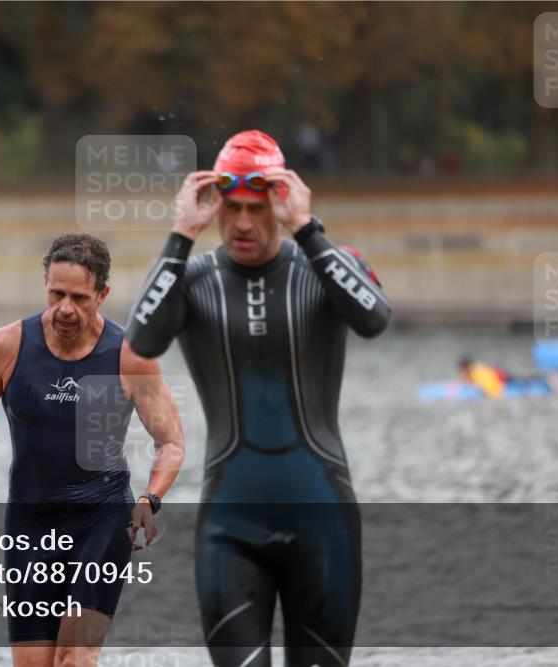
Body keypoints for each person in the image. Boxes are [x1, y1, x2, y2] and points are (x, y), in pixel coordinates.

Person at [126, 130, 392, 666]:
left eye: (257, 208)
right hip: (231, 527)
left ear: (280, 201)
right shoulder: (193, 281)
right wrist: (180, 235)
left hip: (323, 523)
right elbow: (142, 338)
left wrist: (308, 230)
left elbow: (374, 317)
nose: (243, 223)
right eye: (231, 207)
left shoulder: (322, 269)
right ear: (215, 204)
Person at [0, 234, 185, 667]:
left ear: (103, 294)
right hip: (30, 522)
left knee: (74, 660)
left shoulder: (129, 354)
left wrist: (151, 499)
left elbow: (170, 441)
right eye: (56, 293)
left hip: (102, 519)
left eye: (79, 297)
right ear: (46, 286)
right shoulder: (8, 346)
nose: (65, 309)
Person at [458, 357, 558, 398]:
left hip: (501, 380)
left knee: (524, 381)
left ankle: (548, 378)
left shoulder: (474, 372)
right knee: (523, 379)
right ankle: (547, 376)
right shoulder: (477, 366)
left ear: (465, 367)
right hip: (501, 375)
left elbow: (489, 385)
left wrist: (491, 393)